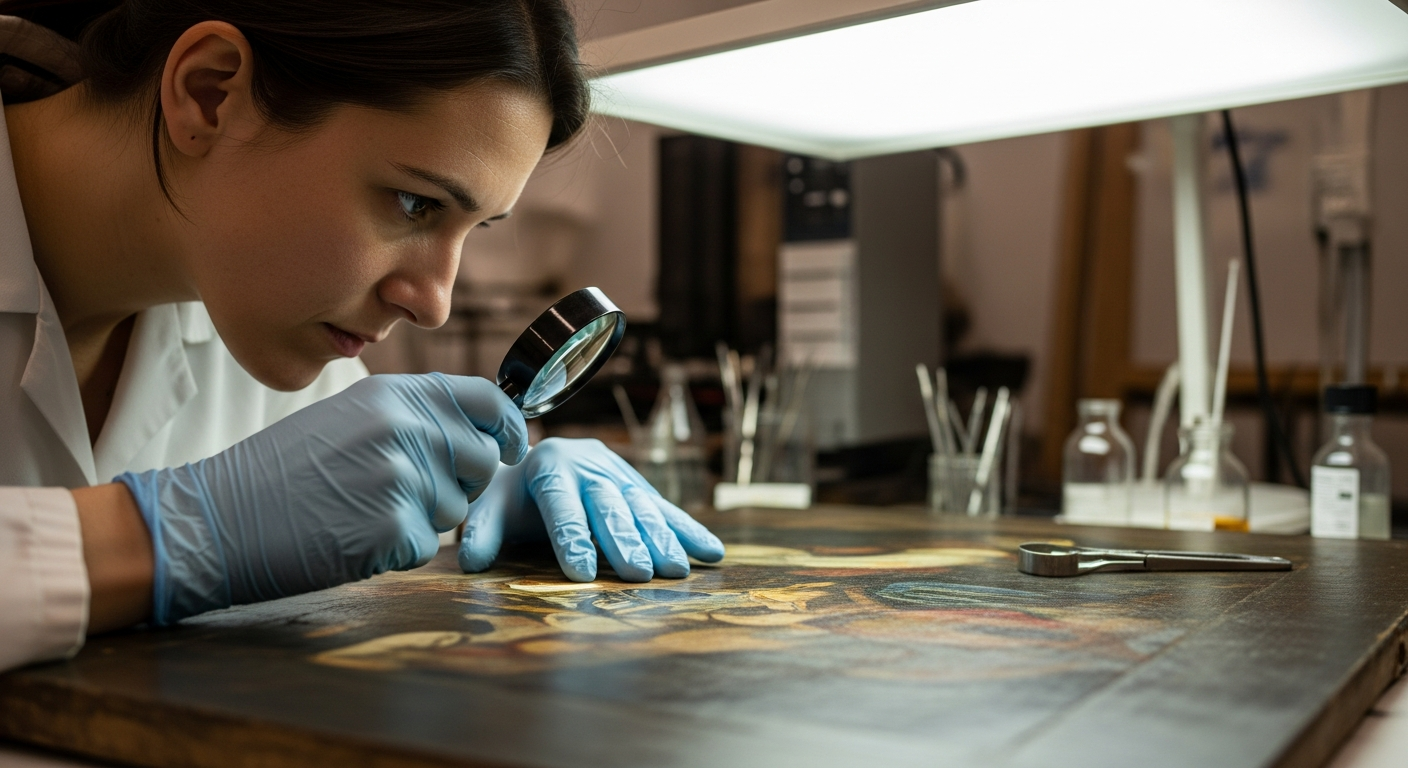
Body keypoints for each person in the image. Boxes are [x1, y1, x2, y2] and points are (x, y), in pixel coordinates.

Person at [0, 0, 724, 673]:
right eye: (414, 203)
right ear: (210, 93)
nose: (434, 304)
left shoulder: (253, 300)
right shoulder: (261, 285)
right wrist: (166, 534)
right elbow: (236, 515)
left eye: (473, 230)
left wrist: (481, 494)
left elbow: (341, 494)